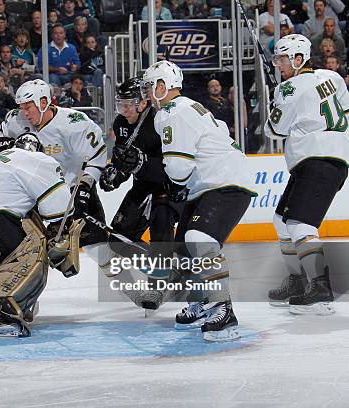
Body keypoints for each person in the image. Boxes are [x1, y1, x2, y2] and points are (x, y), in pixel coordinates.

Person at [142, 60, 257, 341]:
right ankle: (202, 300)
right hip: (209, 183)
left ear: (162, 86)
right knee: (183, 250)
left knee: (199, 239)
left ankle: (223, 308)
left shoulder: (174, 112)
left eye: (149, 86)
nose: (146, 91)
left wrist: (149, 169)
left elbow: (179, 170)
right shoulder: (181, 109)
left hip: (224, 182)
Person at [0, 132, 83, 336]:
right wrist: (60, 237)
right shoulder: (39, 159)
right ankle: (3, 315)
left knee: (8, 247)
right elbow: (58, 211)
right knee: (35, 245)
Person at [265, 34, 348, 315]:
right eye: (276, 59)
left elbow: (272, 130)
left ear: (299, 59)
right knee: (281, 221)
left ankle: (320, 286)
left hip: (317, 159)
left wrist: (276, 97)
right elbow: (344, 109)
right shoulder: (332, 77)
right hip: (326, 159)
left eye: (283, 59)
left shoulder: (289, 89)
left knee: (300, 223)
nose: (278, 64)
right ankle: (298, 281)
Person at [97, 77, 183, 310]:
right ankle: (169, 267)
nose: (123, 110)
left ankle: (157, 286)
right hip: (143, 186)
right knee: (117, 241)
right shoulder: (120, 124)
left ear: (143, 103)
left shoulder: (161, 121)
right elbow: (122, 159)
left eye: (127, 104)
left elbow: (174, 163)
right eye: (119, 104)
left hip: (169, 187)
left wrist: (144, 164)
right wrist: (115, 174)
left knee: (160, 230)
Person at [0, 79, 107, 247]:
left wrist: (83, 190)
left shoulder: (73, 122)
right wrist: (4, 143)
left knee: (98, 247)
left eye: (28, 107)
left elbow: (96, 156)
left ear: (43, 102)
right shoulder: (16, 120)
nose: (24, 113)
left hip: (74, 190)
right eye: (21, 107)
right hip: (38, 195)